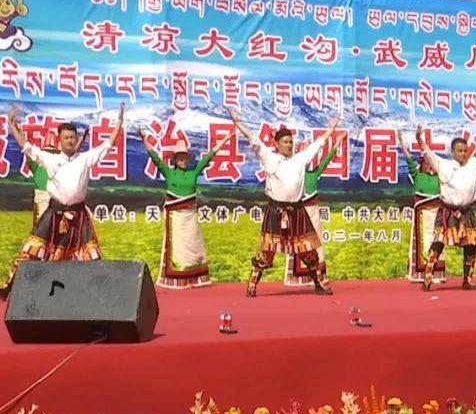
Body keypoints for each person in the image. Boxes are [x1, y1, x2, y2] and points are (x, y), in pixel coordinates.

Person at [0, 104, 125, 300]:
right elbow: (26, 146)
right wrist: (11, 124)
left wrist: (119, 121)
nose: (69, 140)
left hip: (79, 216)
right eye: (66, 137)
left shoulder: (85, 159)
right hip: (54, 214)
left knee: (90, 255)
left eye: (72, 137)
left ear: (76, 140)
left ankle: (100, 297)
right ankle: (8, 289)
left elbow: (109, 144)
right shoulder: (49, 159)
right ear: (60, 141)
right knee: (32, 250)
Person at [235, 113, 339, 297]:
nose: (289, 145)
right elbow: (253, 139)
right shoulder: (269, 157)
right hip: (276, 211)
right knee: (266, 252)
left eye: (290, 142)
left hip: (296, 211)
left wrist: (331, 129)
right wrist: (237, 122)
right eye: (285, 142)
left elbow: (317, 145)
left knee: (308, 250)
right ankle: (252, 285)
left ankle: (318, 285)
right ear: (276, 143)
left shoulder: (299, 159)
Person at [416, 123, 476, 291]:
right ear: (453, 151)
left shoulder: (473, 165)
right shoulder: (442, 164)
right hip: (448, 211)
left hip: (467, 211)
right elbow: (426, 152)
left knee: (471, 246)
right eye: (460, 150)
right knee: (438, 244)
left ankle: (468, 280)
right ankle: (427, 279)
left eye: (465, 150)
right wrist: (418, 138)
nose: (463, 154)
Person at [140, 129, 231, 289]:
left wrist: (225, 139)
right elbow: (154, 157)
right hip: (176, 218)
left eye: (184, 157)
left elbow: (209, 156)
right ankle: (176, 279)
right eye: (179, 157)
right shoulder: (169, 172)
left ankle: (195, 279)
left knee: (193, 247)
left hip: (190, 216)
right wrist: (143, 138)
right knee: (177, 249)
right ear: (175, 159)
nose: (182, 160)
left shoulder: (193, 172)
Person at [284, 136, 342, 288]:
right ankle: (298, 277)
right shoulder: (291, 175)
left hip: (313, 212)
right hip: (298, 211)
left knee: (317, 242)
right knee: (298, 243)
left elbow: (326, 159)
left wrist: (337, 143)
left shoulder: (313, 174)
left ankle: (319, 276)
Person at [398, 132, 446, 285]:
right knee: (423, 242)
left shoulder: (439, 178)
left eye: (430, 163)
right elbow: (408, 159)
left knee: (437, 241)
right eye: (425, 163)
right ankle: (420, 274)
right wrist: (401, 142)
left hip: (437, 214)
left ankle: (437, 274)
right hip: (422, 216)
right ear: (421, 165)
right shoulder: (418, 176)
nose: (428, 165)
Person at [30, 129, 88, 227]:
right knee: (44, 223)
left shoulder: (52, 160)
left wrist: (82, 139)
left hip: (55, 195)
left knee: (50, 222)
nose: (51, 152)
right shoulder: (49, 159)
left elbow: (74, 151)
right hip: (44, 194)